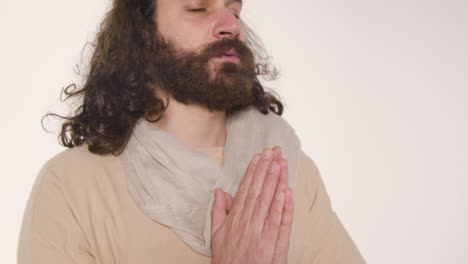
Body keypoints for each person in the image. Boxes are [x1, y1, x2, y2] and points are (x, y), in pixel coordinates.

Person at [17, 0, 366, 263]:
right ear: (142, 34)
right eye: (198, 7)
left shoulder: (287, 166)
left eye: (235, 9)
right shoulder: (71, 185)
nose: (230, 24)